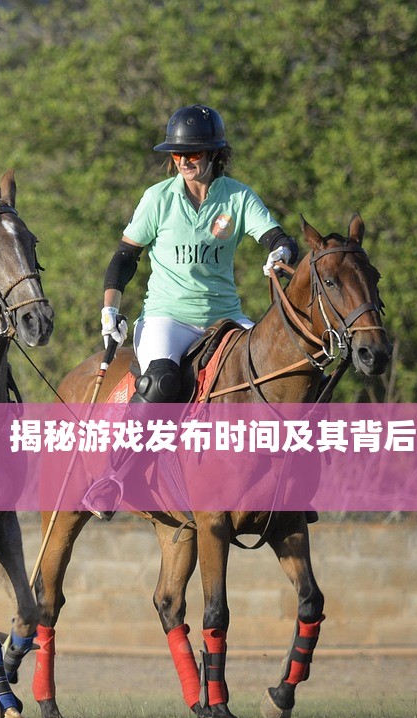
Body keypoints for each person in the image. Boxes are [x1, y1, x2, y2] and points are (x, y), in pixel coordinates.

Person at [84, 104, 298, 517]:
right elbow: (125, 258)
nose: (184, 162)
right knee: (162, 381)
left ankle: (292, 482)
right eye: (178, 155)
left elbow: (276, 237)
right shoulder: (158, 199)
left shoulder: (237, 196)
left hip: (225, 318)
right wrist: (110, 309)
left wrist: (281, 253)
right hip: (168, 318)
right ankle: (113, 477)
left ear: (215, 154)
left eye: (194, 154)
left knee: (283, 367)